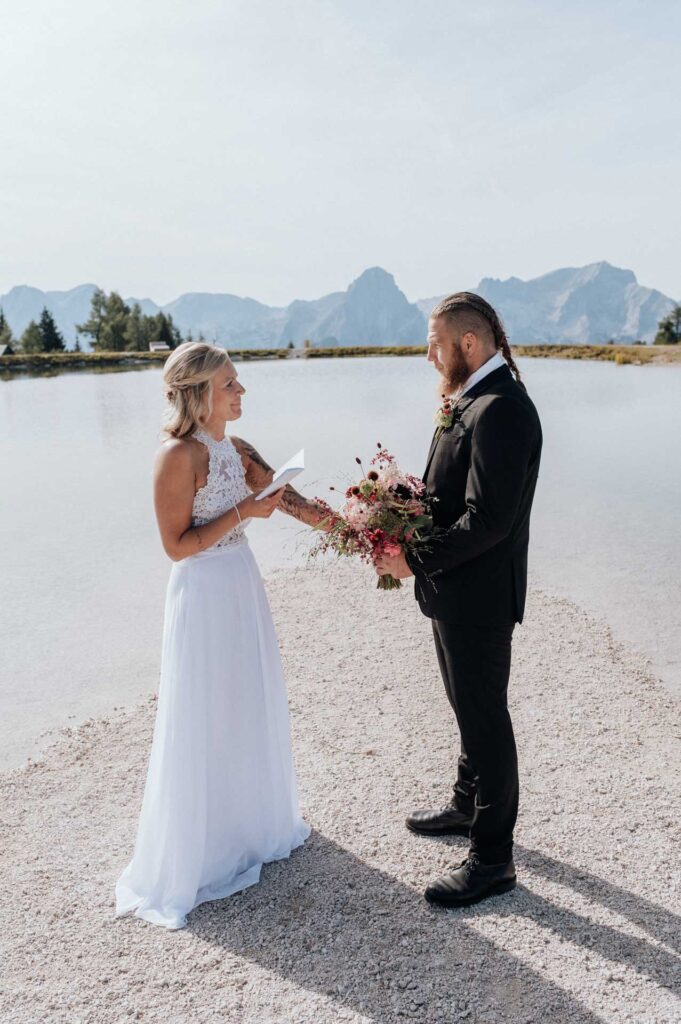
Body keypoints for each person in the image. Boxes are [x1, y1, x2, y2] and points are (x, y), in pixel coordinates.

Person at [115, 342, 325, 930]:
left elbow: (292, 503)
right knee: (204, 710)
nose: (241, 391)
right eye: (231, 383)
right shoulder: (175, 457)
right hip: (202, 592)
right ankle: (201, 850)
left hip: (240, 584)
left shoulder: (236, 449)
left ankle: (249, 826)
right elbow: (176, 547)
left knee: (245, 701)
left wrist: (365, 531)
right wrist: (242, 516)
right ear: (201, 392)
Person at [375, 293, 542, 907]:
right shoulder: (473, 400)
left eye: (433, 342)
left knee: (485, 718)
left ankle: (494, 860)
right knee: (467, 707)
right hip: (455, 589)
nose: (428, 355)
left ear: (468, 344)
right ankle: (467, 805)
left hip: (481, 596)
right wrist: (397, 506)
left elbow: (489, 520)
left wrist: (410, 557)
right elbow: (452, 495)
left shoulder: (501, 409)